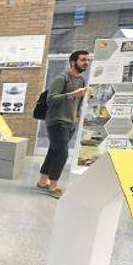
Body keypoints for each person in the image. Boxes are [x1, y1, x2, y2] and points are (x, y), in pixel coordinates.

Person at [37, 50, 90, 198]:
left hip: (70, 122)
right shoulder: (61, 79)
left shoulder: (82, 81)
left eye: (87, 60)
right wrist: (72, 94)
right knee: (62, 153)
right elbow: (51, 99)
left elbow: (78, 102)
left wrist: (77, 116)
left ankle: (42, 181)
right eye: (83, 60)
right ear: (73, 62)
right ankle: (53, 185)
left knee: (54, 151)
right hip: (57, 121)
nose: (86, 63)